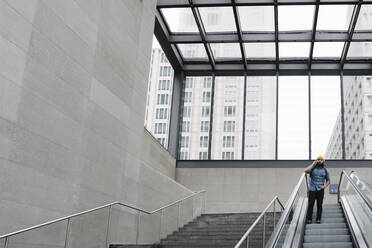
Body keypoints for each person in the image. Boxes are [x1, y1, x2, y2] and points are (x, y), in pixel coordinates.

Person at [305, 155, 330, 224]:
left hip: (320, 190)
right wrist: (313, 164)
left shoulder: (325, 170)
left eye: (321, 160)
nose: (319, 161)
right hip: (312, 189)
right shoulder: (312, 169)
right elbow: (306, 171)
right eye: (318, 159)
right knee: (310, 204)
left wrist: (324, 186)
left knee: (319, 205)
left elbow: (328, 180)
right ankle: (309, 219)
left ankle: (318, 219)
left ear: (323, 161)